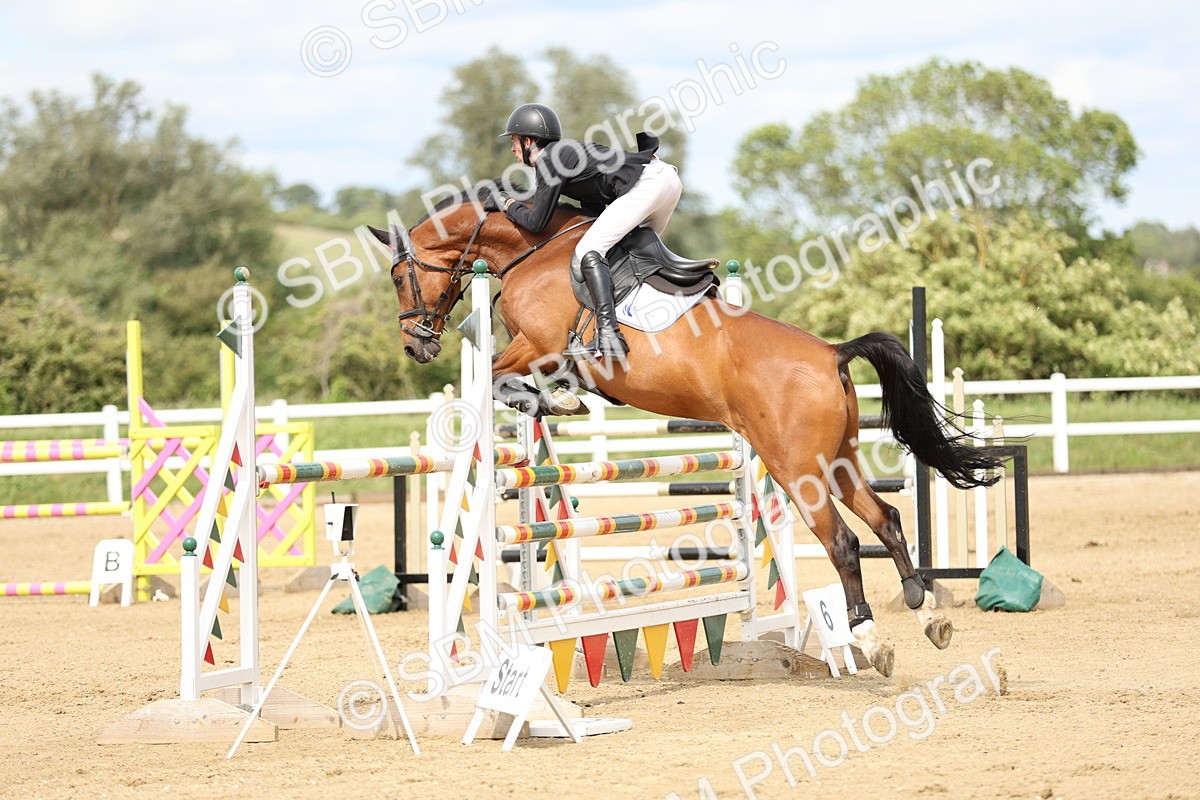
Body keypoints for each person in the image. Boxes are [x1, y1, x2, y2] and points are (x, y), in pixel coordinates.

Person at [489, 103, 683, 359]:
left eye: (513, 141)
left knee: (588, 251)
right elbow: (592, 212)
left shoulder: (550, 160)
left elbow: (537, 222)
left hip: (648, 184)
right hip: (665, 180)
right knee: (628, 254)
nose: (512, 148)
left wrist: (508, 204)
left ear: (528, 141)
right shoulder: (566, 154)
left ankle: (609, 335)